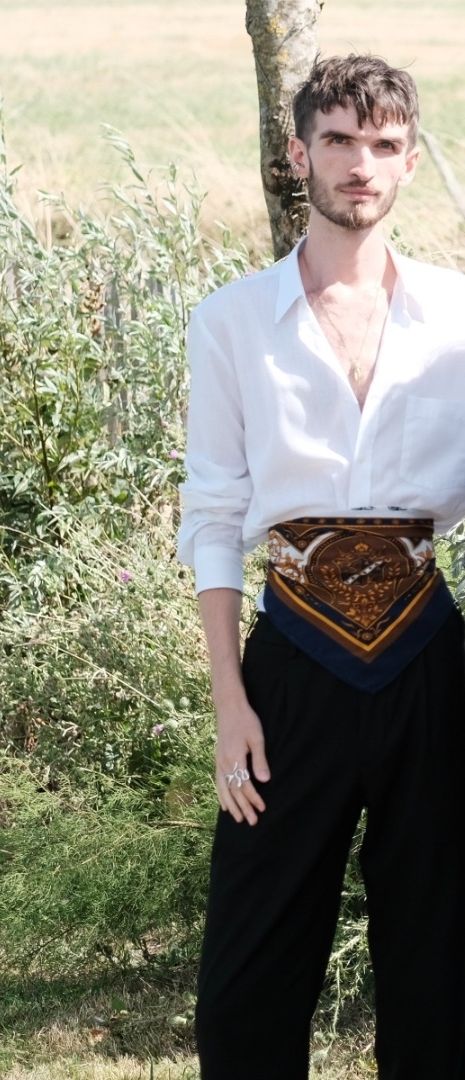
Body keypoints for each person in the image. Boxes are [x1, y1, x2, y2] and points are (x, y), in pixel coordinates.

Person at [177, 53, 465, 1080]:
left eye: (384, 144)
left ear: (410, 162)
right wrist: (230, 700)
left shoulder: (460, 320)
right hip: (289, 670)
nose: (360, 164)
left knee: (443, 967)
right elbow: (214, 515)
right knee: (248, 979)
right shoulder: (231, 322)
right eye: (338, 140)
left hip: (432, 664)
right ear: (299, 154)